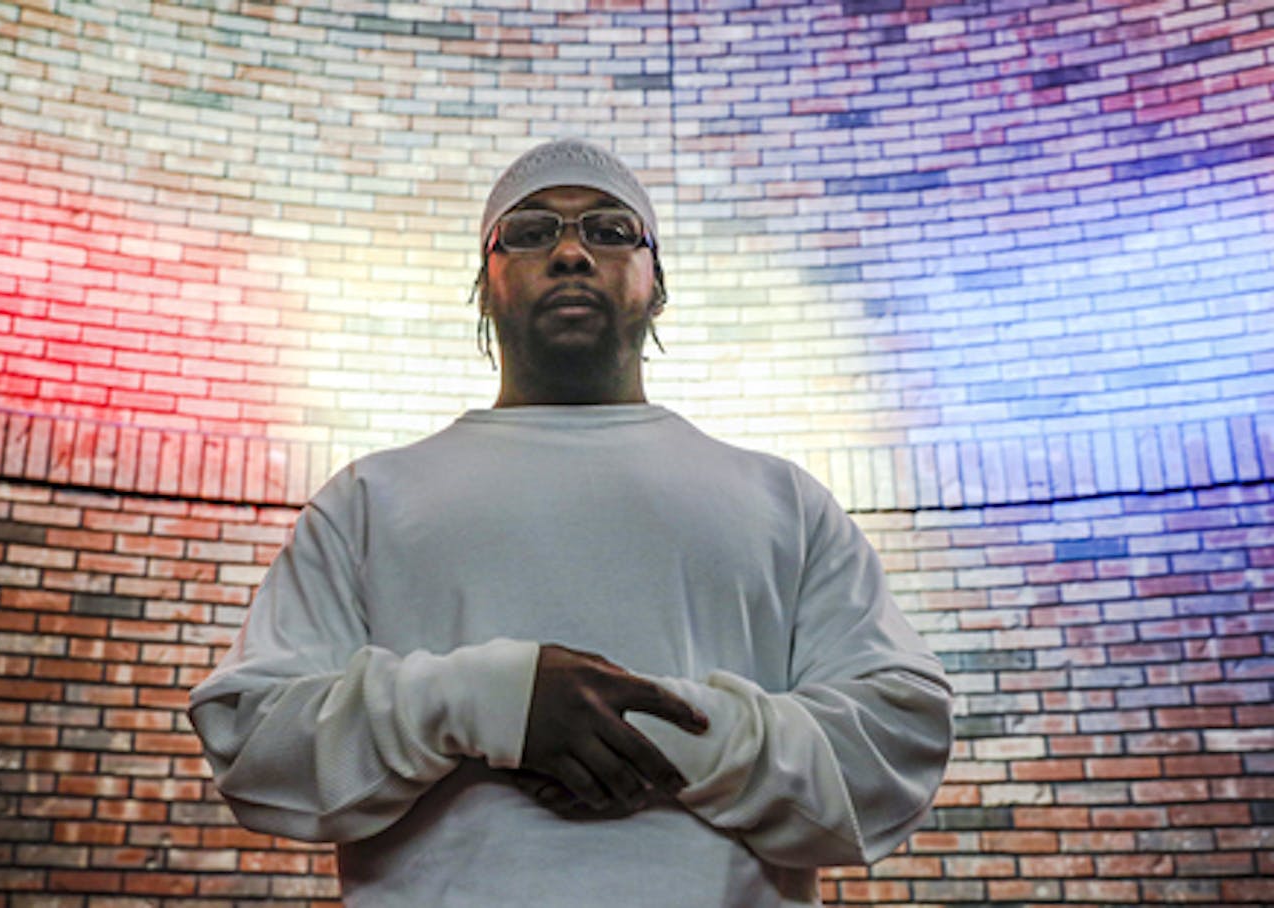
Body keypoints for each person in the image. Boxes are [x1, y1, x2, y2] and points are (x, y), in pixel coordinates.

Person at [188, 137, 954, 907]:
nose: (570, 252)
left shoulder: (782, 499)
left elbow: (898, 740)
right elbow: (254, 737)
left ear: (657, 282)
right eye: (529, 232)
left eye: (610, 230)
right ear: (483, 284)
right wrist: (488, 700)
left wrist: (665, 733)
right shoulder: (369, 498)